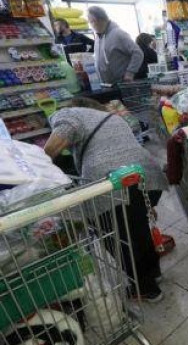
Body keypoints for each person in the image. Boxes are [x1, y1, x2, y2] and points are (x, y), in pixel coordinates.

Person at [44, 97, 168, 302]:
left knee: (118, 238)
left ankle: (146, 288)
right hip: (145, 174)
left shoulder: (70, 113)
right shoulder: (113, 117)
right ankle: (154, 273)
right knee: (139, 228)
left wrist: (36, 165)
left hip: (113, 183)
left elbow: (55, 143)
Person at [87, 6, 143, 84]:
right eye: (90, 22)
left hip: (121, 84)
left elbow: (138, 53)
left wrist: (130, 73)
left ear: (100, 20)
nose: (91, 25)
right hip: (106, 85)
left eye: (92, 21)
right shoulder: (98, 37)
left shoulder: (118, 34)